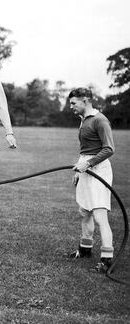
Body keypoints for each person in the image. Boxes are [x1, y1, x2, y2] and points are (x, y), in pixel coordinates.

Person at [68, 87, 115, 273]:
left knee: (99, 215)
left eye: (73, 103)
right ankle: (85, 249)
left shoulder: (100, 120)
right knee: (84, 211)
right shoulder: (83, 120)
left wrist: (88, 165)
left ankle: (107, 259)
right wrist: (80, 169)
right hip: (85, 168)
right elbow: (85, 150)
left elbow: (109, 148)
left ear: (85, 100)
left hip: (99, 170)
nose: (71, 106)